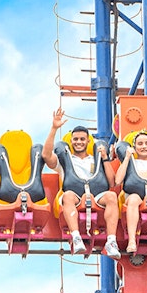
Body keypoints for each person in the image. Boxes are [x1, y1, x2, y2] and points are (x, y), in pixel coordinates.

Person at [42, 108, 120, 258]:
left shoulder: (96, 159)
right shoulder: (66, 160)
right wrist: (54, 128)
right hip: (75, 195)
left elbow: (112, 182)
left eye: (82, 139)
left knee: (111, 196)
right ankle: (76, 237)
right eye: (76, 139)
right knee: (68, 195)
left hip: (96, 195)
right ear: (71, 141)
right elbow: (46, 155)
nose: (79, 142)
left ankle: (111, 241)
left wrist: (105, 158)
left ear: (88, 141)